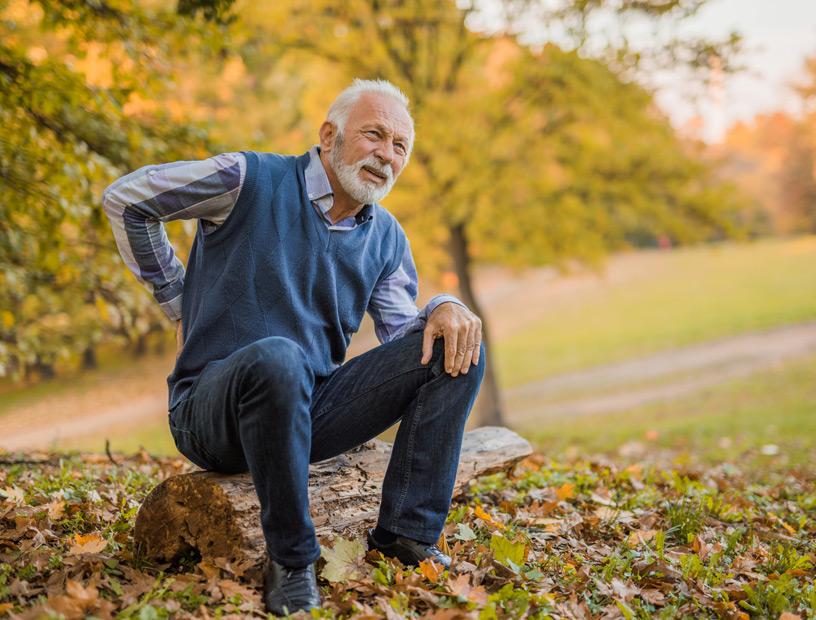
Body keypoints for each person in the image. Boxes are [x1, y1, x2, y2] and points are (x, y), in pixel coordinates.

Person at [102, 79, 484, 615]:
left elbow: (405, 335)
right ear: (329, 135)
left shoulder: (387, 236)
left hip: (309, 413)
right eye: (374, 135)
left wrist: (446, 305)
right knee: (279, 356)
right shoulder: (245, 179)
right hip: (208, 413)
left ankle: (407, 534)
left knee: (456, 344)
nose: (386, 156)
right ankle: (293, 561)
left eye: (400, 147)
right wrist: (178, 300)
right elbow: (127, 199)